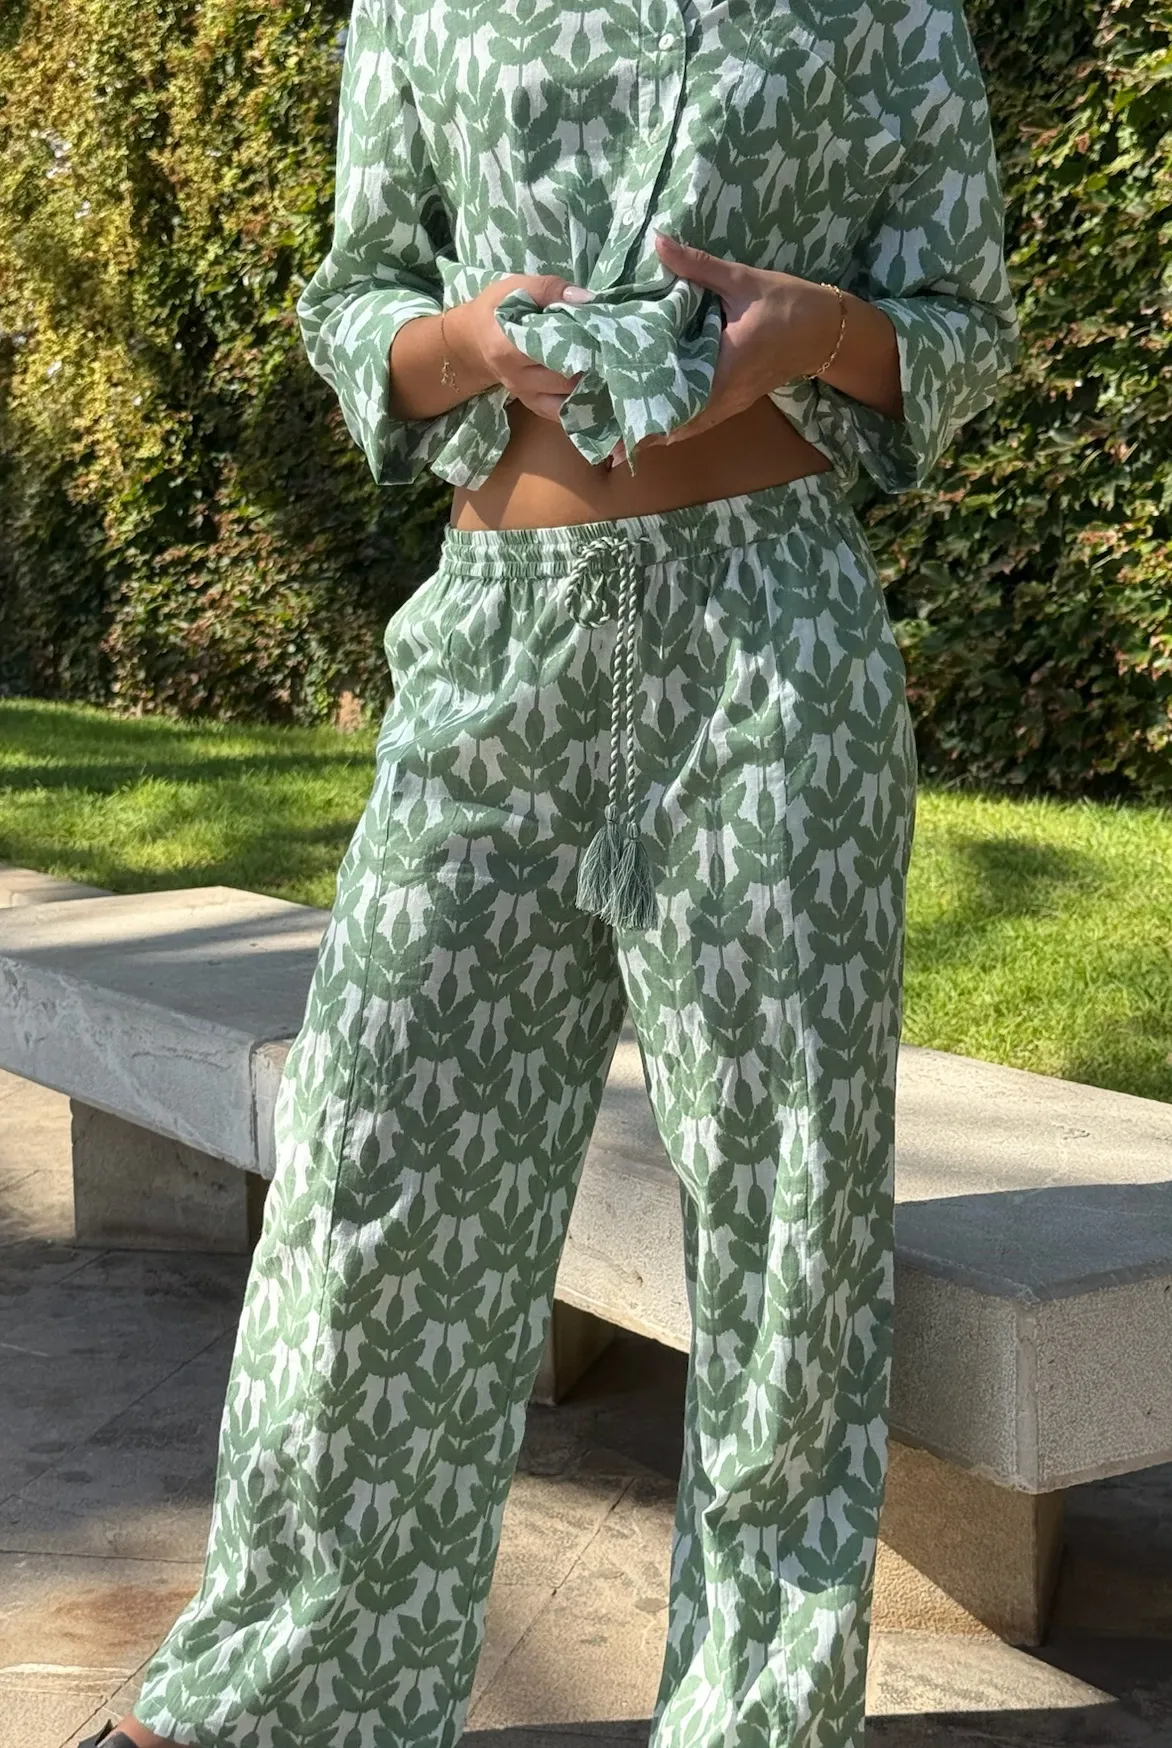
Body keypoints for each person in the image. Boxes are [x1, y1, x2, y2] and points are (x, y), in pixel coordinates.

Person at [85, 2, 1019, 1745]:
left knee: (789, 1220)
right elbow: (357, 297)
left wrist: (824, 332)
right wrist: (463, 344)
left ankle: (757, 1717)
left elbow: (964, 325)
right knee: (371, 1174)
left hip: (770, 652)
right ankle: (280, 1702)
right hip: (491, 645)